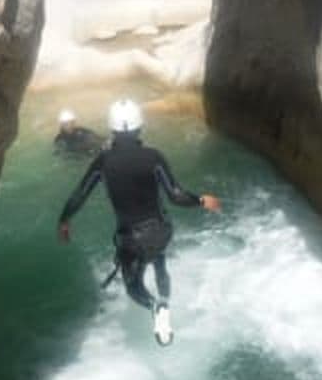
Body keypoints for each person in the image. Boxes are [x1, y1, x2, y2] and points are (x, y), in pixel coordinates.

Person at [57, 99, 221, 346]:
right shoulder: (153, 156)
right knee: (159, 260)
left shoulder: (103, 161)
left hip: (131, 238)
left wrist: (65, 220)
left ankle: (155, 306)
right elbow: (175, 195)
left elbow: (80, 194)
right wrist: (201, 200)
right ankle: (166, 302)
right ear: (139, 126)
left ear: (112, 128)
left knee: (133, 286)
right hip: (161, 230)